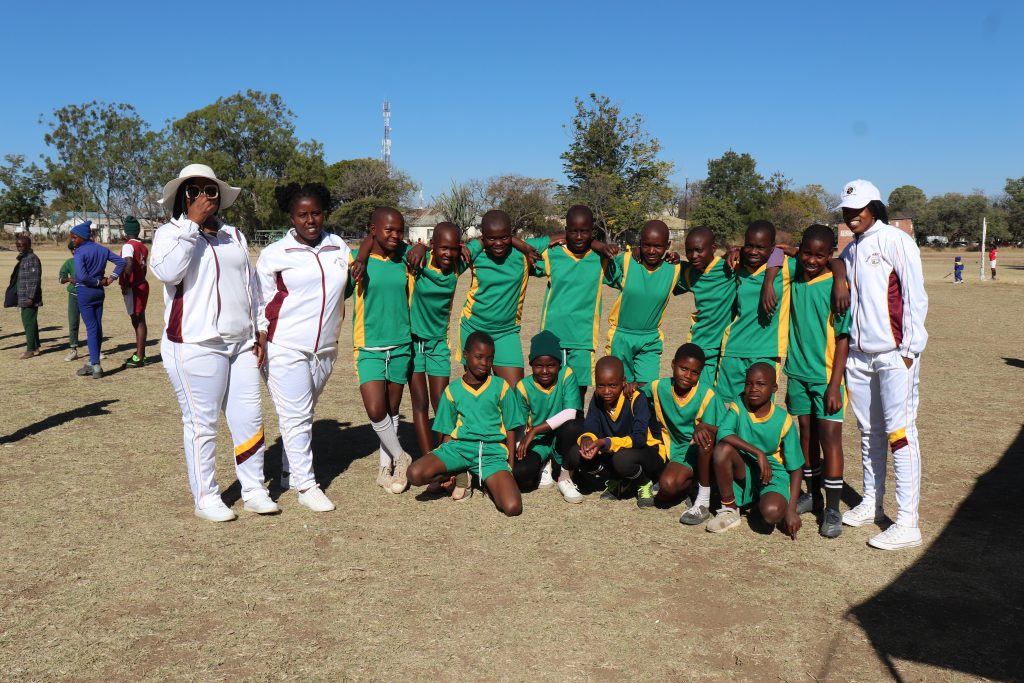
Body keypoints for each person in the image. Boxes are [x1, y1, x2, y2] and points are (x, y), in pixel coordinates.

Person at [150, 163, 278, 522]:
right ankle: (206, 496)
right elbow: (168, 272)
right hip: (194, 344)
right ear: (182, 198)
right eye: (196, 191)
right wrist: (191, 225)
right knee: (202, 423)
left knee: (250, 419)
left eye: (211, 190)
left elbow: (251, 289)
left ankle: (254, 489)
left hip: (240, 344)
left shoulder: (234, 236)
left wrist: (260, 330)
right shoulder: (169, 234)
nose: (206, 197)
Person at [836, 179, 928, 550]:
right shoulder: (852, 249)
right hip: (858, 355)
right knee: (869, 431)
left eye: (858, 209)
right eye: (846, 210)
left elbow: (915, 295)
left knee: (900, 432)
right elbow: (828, 262)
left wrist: (908, 349)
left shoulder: (896, 240)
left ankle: (908, 522)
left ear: (874, 207)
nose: (852, 216)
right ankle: (871, 503)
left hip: (894, 354)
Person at [256, 182, 349, 513]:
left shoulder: (338, 246)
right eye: (302, 215)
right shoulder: (274, 255)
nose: (311, 220)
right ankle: (307, 486)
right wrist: (261, 337)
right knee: (295, 415)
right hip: (285, 347)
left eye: (316, 213)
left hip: (326, 348)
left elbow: (346, 287)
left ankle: (287, 472)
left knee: (303, 413)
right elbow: (261, 301)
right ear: (291, 217)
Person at [406, 331, 527, 516]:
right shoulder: (452, 391)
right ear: (465, 355)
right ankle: (460, 472)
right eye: (479, 357)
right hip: (459, 449)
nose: (485, 363)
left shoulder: (501, 386)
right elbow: (446, 432)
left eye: (490, 358)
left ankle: (481, 477)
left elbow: (511, 428)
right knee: (414, 474)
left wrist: (509, 466)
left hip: (491, 454)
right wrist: (447, 462)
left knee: (512, 507)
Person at [783, 225, 850, 538]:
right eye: (806, 252)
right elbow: (780, 248)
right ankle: (813, 495)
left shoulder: (837, 287)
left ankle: (833, 508)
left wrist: (835, 385)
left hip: (825, 378)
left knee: (830, 439)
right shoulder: (796, 272)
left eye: (820, 255)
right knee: (806, 435)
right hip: (797, 373)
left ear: (830, 256)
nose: (811, 259)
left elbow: (843, 339)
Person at [346, 206, 414, 494]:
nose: (395, 236)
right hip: (369, 346)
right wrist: (361, 254)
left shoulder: (406, 260)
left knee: (392, 409)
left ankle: (386, 469)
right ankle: (402, 456)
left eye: (400, 230)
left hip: (401, 345)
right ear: (373, 230)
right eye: (389, 230)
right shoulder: (356, 261)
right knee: (375, 410)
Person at [456, 209, 552, 390]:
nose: (499, 243)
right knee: (477, 392)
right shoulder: (475, 254)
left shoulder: (524, 253)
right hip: (473, 329)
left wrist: (599, 245)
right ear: (483, 237)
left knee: (515, 393)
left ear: (511, 235)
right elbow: (441, 257)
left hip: (506, 332)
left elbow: (563, 237)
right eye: (491, 238)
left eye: (505, 237)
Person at [706, 363, 804, 538]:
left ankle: (762, 499)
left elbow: (796, 468)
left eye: (760, 384)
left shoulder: (784, 420)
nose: (753, 389)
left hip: (772, 474)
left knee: (771, 514)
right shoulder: (739, 404)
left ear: (774, 388)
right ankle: (730, 510)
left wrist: (791, 510)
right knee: (723, 449)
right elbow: (724, 432)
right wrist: (758, 452)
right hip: (747, 468)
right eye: (748, 383)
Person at [535, 205, 618, 400]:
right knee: (551, 394)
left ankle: (576, 430)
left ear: (592, 232)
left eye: (584, 231)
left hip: (583, 339)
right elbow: (526, 248)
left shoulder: (601, 260)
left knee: (578, 396)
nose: (579, 236)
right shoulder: (552, 254)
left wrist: (600, 246)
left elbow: (628, 267)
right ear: (565, 231)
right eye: (573, 231)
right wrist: (550, 239)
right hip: (553, 337)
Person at [567, 356, 666, 508]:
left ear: (624, 382)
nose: (606, 391)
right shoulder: (597, 398)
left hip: (648, 453)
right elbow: (591, 427)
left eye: (612, 385)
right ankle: (619, 480)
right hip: (616, 451)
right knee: (576, 453)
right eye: (601, 385)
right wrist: (587, 439)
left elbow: (639, 439)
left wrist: (605, 442)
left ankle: (644, 482)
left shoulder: (636, 398)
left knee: (622, 459)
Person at [647, 343, 726, 524]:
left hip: (703, 450)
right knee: (666, 490)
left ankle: (706, 488)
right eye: (684, 369)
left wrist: (704, 427)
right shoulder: (659, 387)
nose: (688, 376)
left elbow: (725, 432)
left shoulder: (708, 395)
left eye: (695, 372)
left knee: (706, 436)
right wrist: (630, 388)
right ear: (673, 364)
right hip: (679, 453)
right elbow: (638, 396)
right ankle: (690, 483)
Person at [605, 220, 684, 388]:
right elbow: (599, 264)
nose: (651, 251)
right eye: (646, 245)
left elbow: (704, 268)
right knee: (619, 389)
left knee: (647, 391)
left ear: (668, 245)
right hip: (621, 337)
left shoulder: (674, 269)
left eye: (658, 246)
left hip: (650, 340)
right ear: (639, 244)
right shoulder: (627, 261)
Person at [515, 330, 585, 501]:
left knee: (574, 424)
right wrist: (520, 446)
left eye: (551, 365)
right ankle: (544, 461)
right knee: (521, 473)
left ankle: (564, 474)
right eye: (539, 365)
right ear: (531, 365)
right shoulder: (523, 386)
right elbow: (519, 425)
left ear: (559, 364)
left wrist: (535, 430)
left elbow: (571, 412)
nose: (545, 371)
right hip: (539, 442)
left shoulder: (566, 375)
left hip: (563, 436)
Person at [675, 227, 738, 389]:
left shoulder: (730, 266)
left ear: (713, 248)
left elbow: (761, 251)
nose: (693, 256)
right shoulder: (689, 272)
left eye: (698, 250)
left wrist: (738, 250)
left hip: (728, 346)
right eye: (689, 251)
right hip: (702, 344)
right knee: (701, 397)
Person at [70, 221, 125, 378]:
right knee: (97, 327)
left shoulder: (80, 252)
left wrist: (98, 282)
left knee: (91, 328)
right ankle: (92, 361)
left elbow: (81, 276)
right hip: (99, 293)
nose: (73, 240)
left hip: (85, 292)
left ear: (82, 237)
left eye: (74, 237)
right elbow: (121, 262)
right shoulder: (101, 249)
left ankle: (95, 365)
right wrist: (110, 279)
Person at [119, 215, 150, 368]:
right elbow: (143, 268)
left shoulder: (128, 245)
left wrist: (125, 283)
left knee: (137, 320)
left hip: (134, 287)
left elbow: (129, 263)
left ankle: (139, 356)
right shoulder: (143, 247)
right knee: (140, 319)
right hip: (142, 284)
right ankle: (140, 353)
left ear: (126, 231)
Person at [9, 234, 43, 358]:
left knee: (28, 322)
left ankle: (30, 350)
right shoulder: (24, 258)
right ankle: (36, 347)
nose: (19, 247)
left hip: (29, 298)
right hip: (23, 296)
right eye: (17, 245)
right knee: (30, 322)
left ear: (28, 245)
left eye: (21, 245)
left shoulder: (32, 258)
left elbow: (34, 280)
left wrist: (30, 297)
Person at [58, 240, 82, 361]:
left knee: (91, 324)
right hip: (73, 295)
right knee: (73, 322)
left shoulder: (87, 260)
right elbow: (61, 279)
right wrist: (68, 279)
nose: (74, 251)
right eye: (72, 250)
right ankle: (73, 349)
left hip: (87, 296)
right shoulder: (69, 263)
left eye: (76, 249)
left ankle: (97, 350)